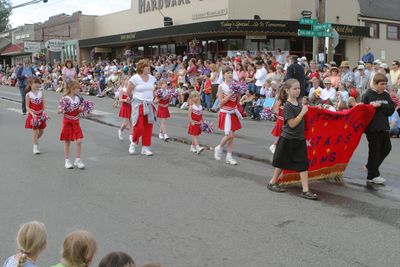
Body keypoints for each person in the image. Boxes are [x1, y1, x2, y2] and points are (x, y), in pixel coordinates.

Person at [267, 79, 318, 200]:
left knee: (303, 164)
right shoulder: (288, 106)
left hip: (299, 138)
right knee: (281, 162)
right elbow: (292, 124)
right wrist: (302, 113)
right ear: (287, 90)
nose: (298, 90)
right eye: (295, 88)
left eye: (299, 88)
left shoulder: (298, 103)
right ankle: (272, 182)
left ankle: (305, 190)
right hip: (288, 138)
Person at [362, 73, 396, 184]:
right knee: (374, 151)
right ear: (376, 84)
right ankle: (372, 175)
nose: (384, 86)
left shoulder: (386, 95)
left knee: (387, 148)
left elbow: (391, 110)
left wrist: (381, 105)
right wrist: (371, 106)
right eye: (382, 84)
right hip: (372, 129)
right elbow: (362, 110)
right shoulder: (368, 94)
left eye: (385, 84)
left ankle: (371, 166)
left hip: (384, 127)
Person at [127, 59, 157, 156]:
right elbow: (128, 91)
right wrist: (132, 99)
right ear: (141, 68)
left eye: (149, 65)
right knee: (139, 127)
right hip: (138, 104)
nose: (149, 67)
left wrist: (154, 97)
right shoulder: (135, 78)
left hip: (149, 104)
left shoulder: (152, 78)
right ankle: (133, 142)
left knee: (148, 126)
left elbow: (152, 90)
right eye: (146, 66)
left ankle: (145, 147)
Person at [214, 67, 241, 165]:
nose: (230, 74)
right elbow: (221, 103)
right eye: (228, 73)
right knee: (229, 135)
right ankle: (219, 147)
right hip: (225, 113)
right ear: (224, 74)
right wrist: (231, 94)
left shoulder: (235, 85)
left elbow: (237, 101)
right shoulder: (221, 86)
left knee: (232, 136)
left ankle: (229, 156)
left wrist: (238, 94)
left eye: (231, 73)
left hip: (233, 112)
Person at [58, 81, 85, 169]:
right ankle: (67, 160)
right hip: (67, 122)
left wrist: (83, 109)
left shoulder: (79, 98)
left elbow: (79, 109)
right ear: (72, 89)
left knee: (79, 140)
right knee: (67, 141)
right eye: (77, 88)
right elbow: (58, 110)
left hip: (76, 121)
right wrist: (63, 109)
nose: (79, 89)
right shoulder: (64, 98)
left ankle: (77, 159)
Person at [24, 78, 46, 155]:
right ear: (30, 84)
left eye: (38, 83)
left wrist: (43, 112)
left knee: (41, 131)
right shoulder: (28, 94)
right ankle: (35, 146)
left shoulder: (41, 93)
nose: (37, 84)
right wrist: (32, 114)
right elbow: (27, 106)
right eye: (35, 83)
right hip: (33, 115)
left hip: (40, 114)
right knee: (35, 131)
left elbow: (43, 105)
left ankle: (35, 140)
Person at [270, 85, 287, 154]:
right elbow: (276, 112)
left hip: (285, 120)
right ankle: (274, 145)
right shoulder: (279, 102)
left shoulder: (287, 101)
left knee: (284, 135)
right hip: (281, 120)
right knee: (283, 134)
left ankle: (278, 147)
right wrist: (282, 110)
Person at [118, 77, 132, 142]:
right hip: (125, 107)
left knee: (131, 122)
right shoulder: (122, 90)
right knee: (125, 123)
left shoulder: (131, 90)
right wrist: (125, 100)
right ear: (124, 81)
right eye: (126, 80)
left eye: (129, 80)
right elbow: (120, 99)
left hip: (131, 107)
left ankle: (131, 136)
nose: (128, 81)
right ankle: (120, 130)